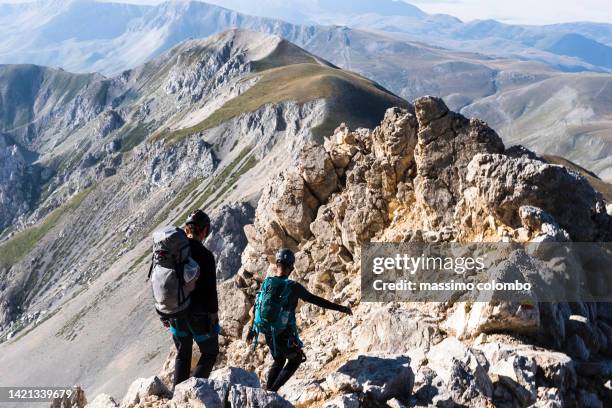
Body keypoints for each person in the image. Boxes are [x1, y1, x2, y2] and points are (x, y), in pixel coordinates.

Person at [246, 248, 352, 392]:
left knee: (279, 360)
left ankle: (267, 393)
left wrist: (251, 330)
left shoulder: (267, 283)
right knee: (296, 359)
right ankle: (272, 392)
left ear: (277, 265)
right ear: (290, 267)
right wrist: (340, 308)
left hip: (267, 330)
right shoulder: (293, 287)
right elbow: (316, 300)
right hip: (283, 332)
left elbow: (255, 308)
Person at [162, 209, 220, 389]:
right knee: (210, 352)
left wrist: (164, 313)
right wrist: (213, 318)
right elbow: (211, 292)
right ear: (203, 231)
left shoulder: (172, 251)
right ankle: (192, 392)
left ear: (186, 229)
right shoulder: (206, 256)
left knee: (183, 354)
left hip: (175, 312)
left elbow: (162, 282)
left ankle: (177, 397)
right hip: (198, 315)